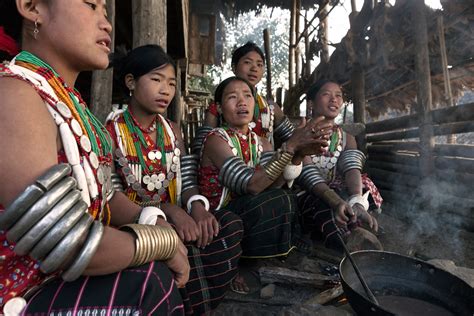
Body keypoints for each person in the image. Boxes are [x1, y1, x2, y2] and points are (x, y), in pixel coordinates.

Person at [0, 1, 189, 314]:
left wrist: (151, 218)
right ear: (32, 7)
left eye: (104, 9)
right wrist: (160, 243)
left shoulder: (72, 106)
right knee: (145, 283)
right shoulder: (14, 93)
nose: (107, 24)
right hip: (19, 297)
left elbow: (102, 192)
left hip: (57, 283)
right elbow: (67, 241)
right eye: (90, 5)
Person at [105, 44, 243, 315]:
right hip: (136, 224)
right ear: (131, 82)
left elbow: (188, 180)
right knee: (155, 260)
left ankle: (203, 301)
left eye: (170, 83)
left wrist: (197, 208)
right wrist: (167, 212)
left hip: (178, 218)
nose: (166, 90)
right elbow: (111, 194)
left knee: (227, 225)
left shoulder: (174, 131)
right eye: (156, 80)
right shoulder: (110, 132)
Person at [198, 76, 332, 293]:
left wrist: (298, 155)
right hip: (219, 217)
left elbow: (274, 184)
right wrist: (290, 146)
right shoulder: (216, 139)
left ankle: (259, 259)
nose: (242, 102)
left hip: (245, 208)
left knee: (284, 197)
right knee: (262, 203)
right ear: (220, 108)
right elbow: (251, 185)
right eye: (232, 97)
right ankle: (237, 263)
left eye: (248, 96)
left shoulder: (261, 141)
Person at [297, 79, 383, 251]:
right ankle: (348, 235)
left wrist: (357, 201)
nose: (334, 99)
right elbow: (308, 175)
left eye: (338, 95)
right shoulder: (300, 134)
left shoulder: (346, 138)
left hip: (337, 192)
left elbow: (352, 169)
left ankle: (354, 218)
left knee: (364, 185)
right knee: (323, 202)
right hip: (307, 191)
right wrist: (336, 201)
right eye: (326, 94)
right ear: (312, 103)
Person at [192, 42, 295, 154]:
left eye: (259, 64)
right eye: (247, 62)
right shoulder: (217, 105)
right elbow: (202, 146)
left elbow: (293, 138)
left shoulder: (270, 108)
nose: (254, 68)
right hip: (226, 166)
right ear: (234, 67)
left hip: (265, 165)